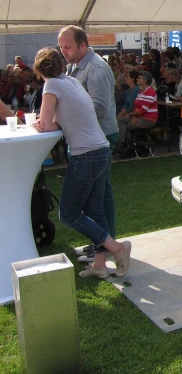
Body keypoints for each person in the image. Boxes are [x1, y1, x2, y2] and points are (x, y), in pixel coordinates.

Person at [31, 47, 131, 279]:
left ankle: (116, 248)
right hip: (101, 150)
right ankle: (99, 264)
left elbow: (45, 123)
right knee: (95, 210)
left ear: (39, 69)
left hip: (85, 155)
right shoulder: (71, 82)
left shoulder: (52, 85)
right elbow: (61, 121)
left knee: (69, 214)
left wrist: (41, 122)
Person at [58, 25, 119, 264]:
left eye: (68, 47)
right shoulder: (77, 65)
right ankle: (102, 244)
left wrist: (68, 117)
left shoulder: (95, 68)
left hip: (100, 138)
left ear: (82, 45)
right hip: (92, 140)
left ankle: (107, 243)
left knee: (101, 194)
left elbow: (101, 107)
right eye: (61, 47)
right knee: (97, 195)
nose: (63, 51)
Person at [113, 71, 158, 153]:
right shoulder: (141, 91)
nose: (137, 79)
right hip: (138, 116)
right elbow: (135, 106)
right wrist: (133, 116)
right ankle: (126, 145)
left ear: (145, 80)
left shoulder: (150, 92)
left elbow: (143, 109)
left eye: (139, 78)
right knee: (119, 120)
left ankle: (126, 145)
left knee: (124, 126)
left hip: (148, 119)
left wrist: (132, 115)